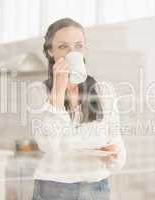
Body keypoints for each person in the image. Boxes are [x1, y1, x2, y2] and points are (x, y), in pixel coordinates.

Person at [31, 18, 126, 200]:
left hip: (97, 186)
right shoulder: (38, 91)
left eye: (78, 46)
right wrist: (58, 90)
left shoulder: (103, 91)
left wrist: (112, 158)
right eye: (63, 47)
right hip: (54, 187)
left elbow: (116, 141)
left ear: (85, 50)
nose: (72, 53)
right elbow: (49, 145)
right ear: (51, 52)